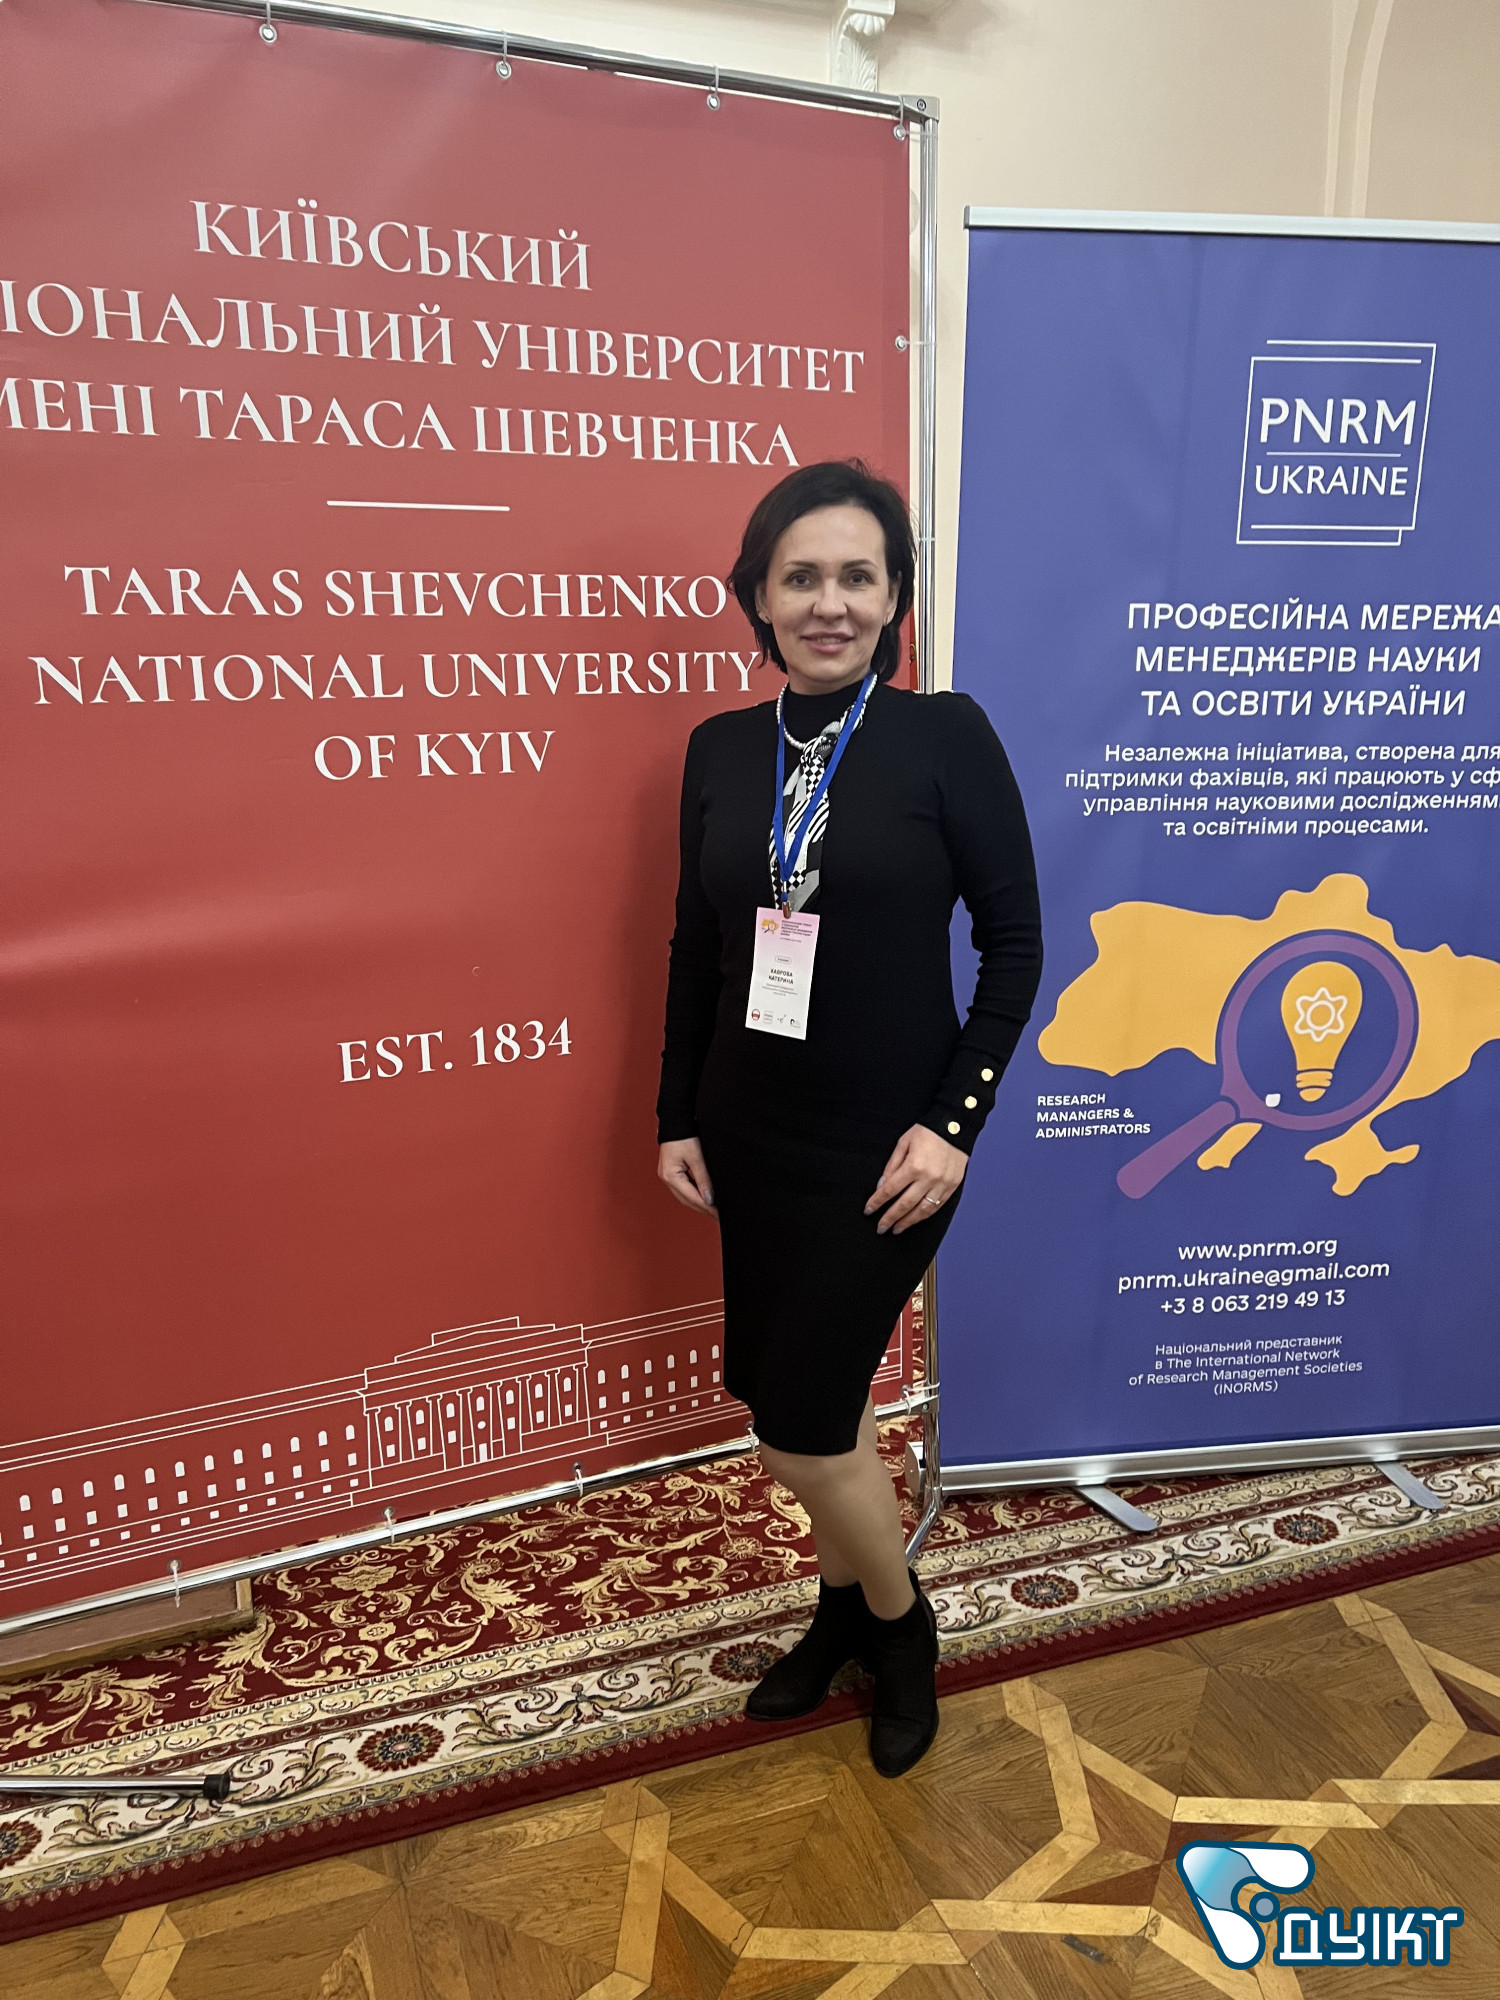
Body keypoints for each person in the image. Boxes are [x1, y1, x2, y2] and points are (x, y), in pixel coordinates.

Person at [656, 460, 1042, 1777]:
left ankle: (902, 1624)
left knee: (800, 1430)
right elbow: (699, 947)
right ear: (759, 599)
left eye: (857, 577)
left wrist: (954, 1126)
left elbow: (1015, 947)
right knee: (808, 1406)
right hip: (751, 1137)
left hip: (889, 1152)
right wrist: (676, 1112)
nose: (830, 602)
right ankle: (837, 1617)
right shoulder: (720, 750)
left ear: (893, 598)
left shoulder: (946, 736)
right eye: (802, 577)